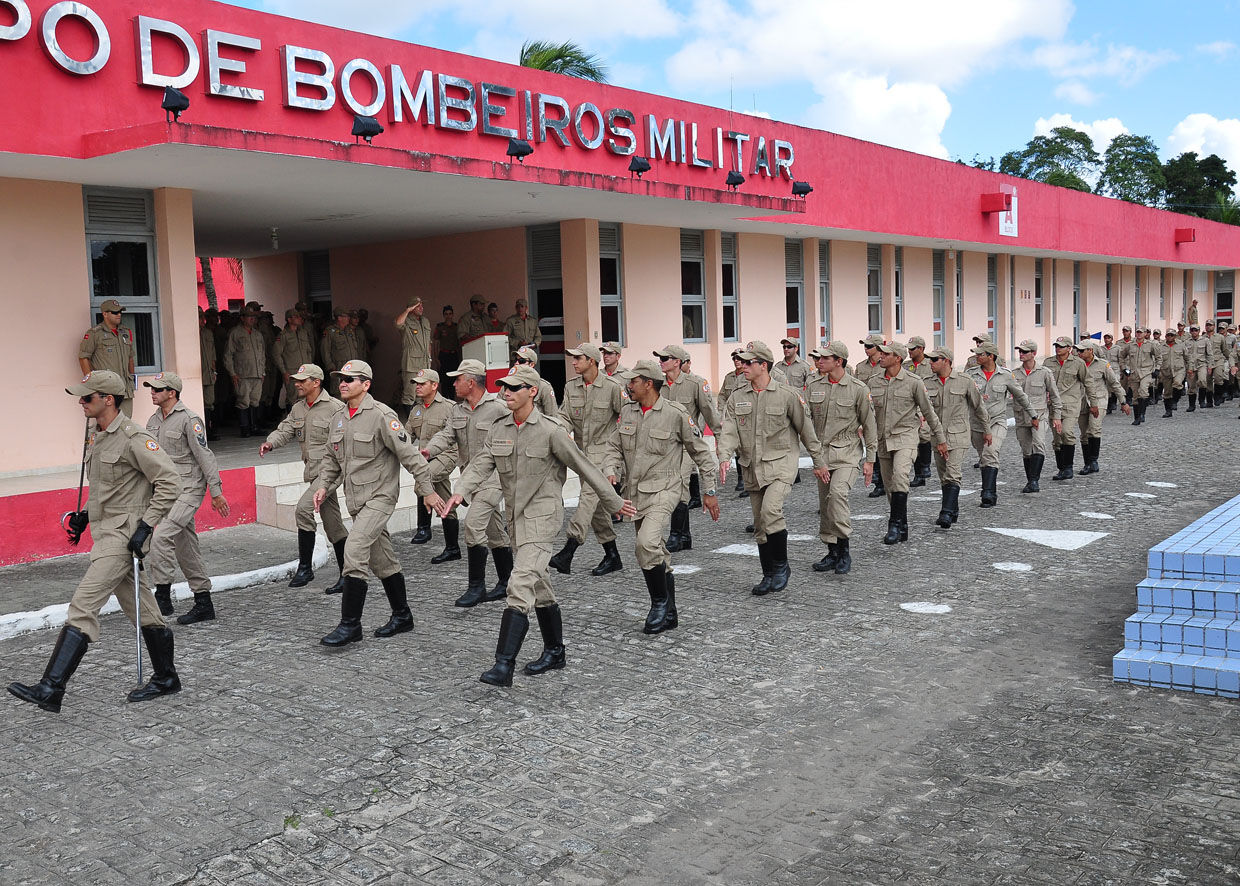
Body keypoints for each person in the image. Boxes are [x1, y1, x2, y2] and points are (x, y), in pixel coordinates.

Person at [439, 366, 635, 687]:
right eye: (504, 387)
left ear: (532, 392)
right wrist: (460, 491)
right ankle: (555, 651)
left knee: (520, 585)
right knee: (541, 586)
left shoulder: (551, 431)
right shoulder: (499, 428)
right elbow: (481, 465)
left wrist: (613, 501)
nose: (506, 392)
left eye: (514, 388)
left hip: (542, 520)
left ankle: (504, 665)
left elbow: (585, 466)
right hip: (516, 521)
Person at [9, 371, 181, 712]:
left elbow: (170, 482)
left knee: (83, 605)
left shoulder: (134, 437)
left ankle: (51, 688)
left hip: (123, 536)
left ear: (108, 399)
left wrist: (147, 526)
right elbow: (108, 488)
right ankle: (166, 678)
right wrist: (85, 514)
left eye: (87, 397)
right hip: (105, 533)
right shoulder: (98, 435)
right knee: (144, 608)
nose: (81, 402)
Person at [311, 361, 444, 646]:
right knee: (382, 560)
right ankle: (402, 615)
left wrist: (427, 491)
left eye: (350, 379)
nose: (342, 383)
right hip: (356, 500)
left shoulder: (383, 416)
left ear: (366, 384)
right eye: (340, 379)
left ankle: (350, 625)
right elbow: (331, 460)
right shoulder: (338, 418)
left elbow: (410, 455)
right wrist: (323, 486)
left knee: (354, 550)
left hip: (380, 498)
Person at [606, 359, 720, 631]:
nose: (629, 385)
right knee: (654, 551)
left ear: (648, 384)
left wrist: (710, 490)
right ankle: (670, 611)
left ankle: (658, 603)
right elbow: (613, 445)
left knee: (645, 544)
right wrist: (611, 468)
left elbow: (701, 452)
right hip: (635, 492)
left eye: (634, 381)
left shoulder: (675, 413)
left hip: (665, 489)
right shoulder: (629, 411)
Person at [717, 341, 828, 594]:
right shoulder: (737, 397)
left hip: (780, 465)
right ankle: (768, 573)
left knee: (770, 512)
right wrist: (724, 456)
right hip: (752, 467)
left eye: (748, 362)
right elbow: (730, 430)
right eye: (742, 362)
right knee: (759, 524)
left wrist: (819, 463)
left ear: (763, 366)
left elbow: (806, 432)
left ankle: (780, 568)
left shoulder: (788, 395)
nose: (742, 366)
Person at [423, 359, 512, 606]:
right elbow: (446, 435)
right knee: (494, 530)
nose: (454, 383)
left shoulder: (499, 408)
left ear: (471, 382)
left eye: (458, 379)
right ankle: (507, 582)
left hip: (494, 478)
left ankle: (476, 587)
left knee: (473, 524)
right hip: (469, 479)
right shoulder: (458, 410)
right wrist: (429, 451)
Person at [143, 373, 231, 624]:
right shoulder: (153, 420)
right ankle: (204, 602)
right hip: (166, 491)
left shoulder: (189, 420)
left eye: (158, 389)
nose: (153, 392)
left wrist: (216, 492)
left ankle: (162, 596)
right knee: (186, 546)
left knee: (160, 537)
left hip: (189, 488)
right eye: (152, 388)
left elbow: (205, 456)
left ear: (172, 393)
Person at [260, 364, 350, 594]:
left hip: (330, 473)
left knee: (302, 509)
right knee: (333, 525)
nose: (297, 384)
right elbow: (285, 429)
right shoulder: (298, 408)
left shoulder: (336, 408)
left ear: (316, 382)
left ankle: (305, 568)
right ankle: (347, 574)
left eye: (302, 380)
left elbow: (346, 442)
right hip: (313, 473)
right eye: (297, 380)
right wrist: (270, 442)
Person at [549, 344, 626, 576]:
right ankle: (613, 556)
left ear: (591, 361)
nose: (573, 362)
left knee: (587, 501)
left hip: (605, 457)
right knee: (597, 509)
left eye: (578, 358)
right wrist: (555, 432)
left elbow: (628, 418)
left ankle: (568, 550)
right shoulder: (571, 386)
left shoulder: (613, 387)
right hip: (583, 456)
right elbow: (565, 417)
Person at [804, 342, 875, 574]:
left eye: (826, 358)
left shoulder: (857, 388)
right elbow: (805, 420)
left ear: (839, 361)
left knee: (837, 495)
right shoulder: (813, 385)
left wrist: (870, 460)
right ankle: (831, 552)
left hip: (847, 455)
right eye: (820, 358)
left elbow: (870, 425)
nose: (820, 361)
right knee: (826, 505)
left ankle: (844, 549)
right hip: (822, 456)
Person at [869, 341, 948, 542]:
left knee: (900, 477)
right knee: (889, 486)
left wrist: (939, 439)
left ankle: (894, 526)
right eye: (881, 354)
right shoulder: (873, 382)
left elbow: (929, 413)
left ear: (897, 358)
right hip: (883, 439)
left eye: (886, 354)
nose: (881, 356)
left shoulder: (913, 382)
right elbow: (866, 412)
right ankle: (902, 524)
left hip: (905, 437)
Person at [655, 344, 719, 549]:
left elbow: (711, 414)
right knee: (669, 485)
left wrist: (721, 443)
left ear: (677, 362)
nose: (661, 361)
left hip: (687, 445)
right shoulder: (658, 385)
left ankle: (675, 534)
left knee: (679, 484)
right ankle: (685, 536)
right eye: (660, 358)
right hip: (664, 445)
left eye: (665, 358)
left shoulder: (696, 384)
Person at [925, 347, 988, 529]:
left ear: (946, 360)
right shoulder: (927, 382)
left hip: (958, 435)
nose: (931, 363)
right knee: (944, 476)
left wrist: (986, 429)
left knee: (953, 473)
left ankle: (945, 512)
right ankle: (953, 509)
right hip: (937, 437)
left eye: (935, 359)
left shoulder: (964, 381)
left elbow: (978, 407)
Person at [965, 341, 1031, 508]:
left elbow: (1020, 396)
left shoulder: (1006, 375)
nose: (977, 357)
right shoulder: (971, 375)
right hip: (977, 424)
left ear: (991, 356)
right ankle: (991, 490)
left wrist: (1033, 414)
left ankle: (987, 492)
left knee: (990, 451)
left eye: (981, 354)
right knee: (984, 456)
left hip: (997, 421)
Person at [404, 369, 456, 551]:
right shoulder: (416, 410)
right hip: (425, 458)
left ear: (434, 385)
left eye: (422, 384)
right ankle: (452, 547)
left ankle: (423, 528)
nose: (417, 387)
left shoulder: (449, 407)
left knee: (423, 479)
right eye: (416, 384)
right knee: (445, 497)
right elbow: (406, 435)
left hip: (445, 455)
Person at [1012, 340, 1061, 494]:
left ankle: (1034, 480)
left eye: (1024, 352)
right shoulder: (1014, 374)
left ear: (1033, 353)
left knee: (1039, 444)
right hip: (1021, 417)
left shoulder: (1044, 372)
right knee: (1026, 450)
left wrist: (1057, 416)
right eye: (1020, 351)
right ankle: (1030, 480)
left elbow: (1054, 395)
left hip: (1039, 415)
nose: (1021, 354)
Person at [1076, 339, 1129, 473]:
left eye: (1082, 350)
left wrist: (1123, 402)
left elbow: (1115, 384)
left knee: (1093, 430)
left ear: (1090, 351)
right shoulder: (1075, 365)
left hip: (1099, 401)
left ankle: (1094, 461)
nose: (1079, 353)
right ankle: (1087, 463)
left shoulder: (1102, 365)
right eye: (1078, 351)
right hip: (1081, 401)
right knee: (1084, 434)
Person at [78, 299, 135, 416]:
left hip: (125, 389)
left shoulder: (125, 332)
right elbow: (83, 357)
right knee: (106, 424)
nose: (118, 314)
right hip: (105, 389)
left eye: (120, 312)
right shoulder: (95, 334)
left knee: (126, 423)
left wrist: (132, 378)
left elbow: (130, 357)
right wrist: (91, 384)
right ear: (105, 314)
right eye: (114, 312)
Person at [1045, 336, 1088, 481]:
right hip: (1053, 406)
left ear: (1069, 348)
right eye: (1056, 346)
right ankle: (1061, 468)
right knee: (1057, 438)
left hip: (1071, 404)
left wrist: (1093, 402)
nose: (1058, 348)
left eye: (1061, 346)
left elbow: (1087, 382)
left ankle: (1068, 467)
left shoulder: (1078, 363)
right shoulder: (1048, 362)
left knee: (1066, 432)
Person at [223, 303, 268, 437]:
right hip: (242, 374)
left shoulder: (257, 334)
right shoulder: (235, 333)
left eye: (253, 317)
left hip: (257, 373)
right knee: (243, 401)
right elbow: (228, 355)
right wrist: (232, 373)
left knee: (255, 400)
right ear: (242, 318)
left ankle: (254, 426)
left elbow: (262, 354)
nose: (252, 319)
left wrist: (263, 371)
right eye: (249, 317)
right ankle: (245, 428)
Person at [854, 335, 886, 497]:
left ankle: (885, 480)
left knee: (882, 446)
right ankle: (879, 480)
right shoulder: (860, 367)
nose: (866, 349)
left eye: (869, 346)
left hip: (882, 410)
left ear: (879, 348)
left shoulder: (886, 364)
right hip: (866, 410)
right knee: (873, 443)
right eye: (865, 346)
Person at [903, 336, 935, 487]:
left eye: (912, 348)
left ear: (921, 349)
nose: (909, 351)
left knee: (924, 436)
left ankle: (926, 465)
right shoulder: (905, 366)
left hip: (928, 404)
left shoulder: (931, 364)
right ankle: (919, 474)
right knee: (914, 440)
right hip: (911, 405)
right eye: (908, 348)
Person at [718, 348, 750, 496]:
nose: (736, 360)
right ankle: (741, 479)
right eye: (734, 358)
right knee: (736, 448)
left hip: (744, 417)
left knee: (746, 448)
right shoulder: (729, 377)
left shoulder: (748, 375)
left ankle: (748, 480)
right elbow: (722, 396)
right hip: (731, 417)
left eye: (739, 358)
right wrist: (721, 415)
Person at [274, 308, 317, 415]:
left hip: (305, 372)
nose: (299, 319)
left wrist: (310, 368)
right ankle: (291, 422)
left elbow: (308, 351)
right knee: (292, 398)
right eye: (296, 317)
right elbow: (276, 354)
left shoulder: (303, 333)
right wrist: (284, 371)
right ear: (289, 319)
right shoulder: (283, 335)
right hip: (292, 372)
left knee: (305, 396)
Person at [395, 297, 433, 417]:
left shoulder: (425, 321)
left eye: (422, 305)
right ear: (411, 308)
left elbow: (428, 342)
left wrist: (430, 358)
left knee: (422, 394)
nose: (421, 308)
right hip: (411, 364)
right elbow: (398, 323)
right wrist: (407, 311)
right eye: (418, 306)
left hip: (425, 363)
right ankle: (410, 422)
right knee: (410, 394)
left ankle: (419, 420)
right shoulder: (406, 320)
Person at [1118, 326, 1157, 424]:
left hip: (1146, 372)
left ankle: (1142, 414)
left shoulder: (1150, 345)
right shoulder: (1130, 345)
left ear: (1145, 334)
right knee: (1135, 396)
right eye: (1137, 332)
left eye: (1141, 332)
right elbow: (1121, 356)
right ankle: (1137, 417)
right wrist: (1124, 369)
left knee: (1143, 391)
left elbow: (1159, 357)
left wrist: (1157, 369)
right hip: (1134, 373)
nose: (1139, 334)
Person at [511, 347, 560, 417]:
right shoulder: (507, 384)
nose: (516, 363)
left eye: (521, 361)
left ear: (531, 365)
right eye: (515, 360)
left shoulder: (543, 386)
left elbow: (552, 416)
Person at [199, 307, 219, 439]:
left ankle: (210, 430)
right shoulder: (192, 333)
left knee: (210, 402)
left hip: (209, 374)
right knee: (199, 403)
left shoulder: (208, 333)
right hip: (198, 375)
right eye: (200, 317)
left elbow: (212, 355)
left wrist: (214, 371)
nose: (202, 320)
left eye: (202, 317)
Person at [1184, 323, 1213, 412]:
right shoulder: (1187, 342)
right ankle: (1191, 405)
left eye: (1196, 330)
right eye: (1192, 330)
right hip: (1191, 366)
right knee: (1191, 386)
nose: (1194, 332)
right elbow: (1184, 355)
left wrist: (1210, 366)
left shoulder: (1205, 341)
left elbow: (1209, 354)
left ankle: (1201, 401)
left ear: (1199, 331)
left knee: (1202, 381)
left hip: (1202, 364)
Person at [1158, 329, 1188, 418]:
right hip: (1166, 371)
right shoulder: (1160, 347)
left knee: (1178, 384)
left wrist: (1190, 368)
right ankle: (1168, 411)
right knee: (1167, 392)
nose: (1170, 337)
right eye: (1168, 335)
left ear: (1175, 336)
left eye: (1172, 335)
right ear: (1165, 336)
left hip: (1179, 369)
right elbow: (1157, 359)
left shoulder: (1181, 345)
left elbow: (1187, 357)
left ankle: (1175, 401)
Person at [321, 307, 356, 378]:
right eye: (346, 316)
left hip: (352, 366)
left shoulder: (349, 330)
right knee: (338, 388)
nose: (349, 318)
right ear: (339, 318)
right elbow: (325, 350)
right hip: (339, 367)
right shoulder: (330, 331)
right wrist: (330, 366)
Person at [434, 305, 461, 387]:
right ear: (443, 315)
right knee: (444, 381)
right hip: (444, 356)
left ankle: (452, 400)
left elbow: (460, 343)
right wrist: (436, 358)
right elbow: (436, 343)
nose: (448, 316)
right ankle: (445, 399)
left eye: (450, 314)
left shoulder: (457, 327)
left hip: (454, 356)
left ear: (452, 315)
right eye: (446, 314)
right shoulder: (440, 327)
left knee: (453, 380)